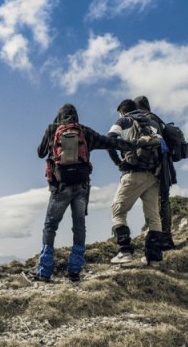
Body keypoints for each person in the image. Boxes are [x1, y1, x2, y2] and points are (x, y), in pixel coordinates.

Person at [36, 103, 137, 282]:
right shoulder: (85, 131)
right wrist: (134, 145)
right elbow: (109, 142)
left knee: (50, 226)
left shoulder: (53, 129)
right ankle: (74, 271)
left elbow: (40, 152)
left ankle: (44, 272)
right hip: (81, 188)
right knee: (79, 227)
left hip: (60, 187)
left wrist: (52, 131)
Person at [107, 99, 165, 267]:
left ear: (123, 112)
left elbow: (110, 140)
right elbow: (162, 147)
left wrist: (118, 162)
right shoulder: (152, 124)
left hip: (133, 174)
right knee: (153, 216)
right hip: (153, 176)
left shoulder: (122, 121)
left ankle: (124, 252)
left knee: (117, 211)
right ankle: (153, 258)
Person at [133, 96, 177, 250]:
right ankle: (165, 239)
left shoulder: (144, 120)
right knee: (162, 202)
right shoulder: (155, 118)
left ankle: (160, 240)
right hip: (164, 166)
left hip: (155, 168)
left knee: (157, 203)